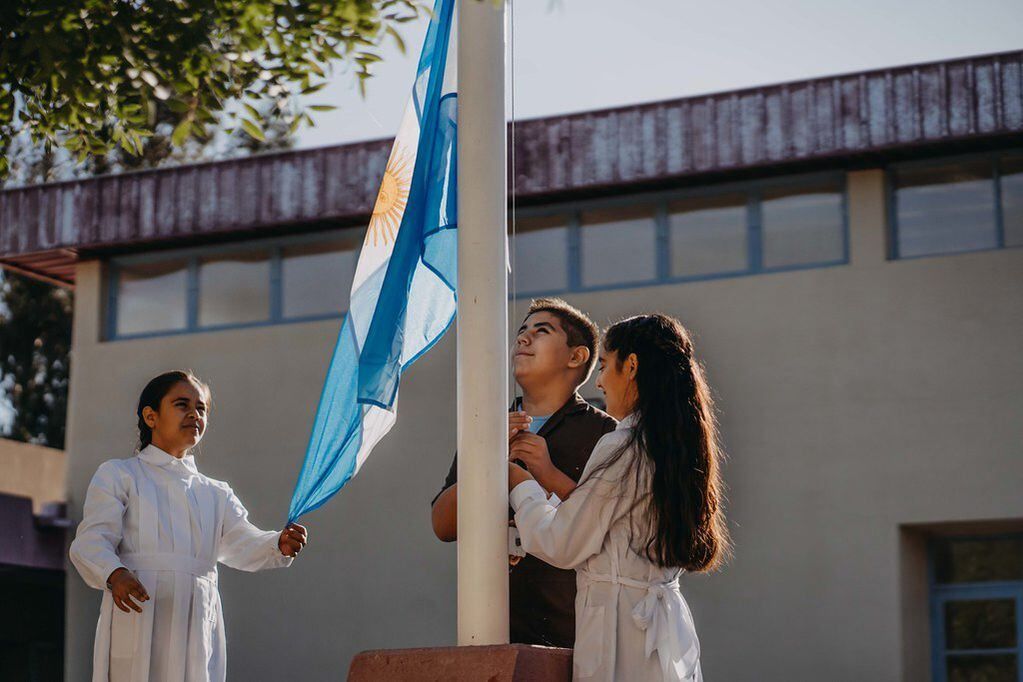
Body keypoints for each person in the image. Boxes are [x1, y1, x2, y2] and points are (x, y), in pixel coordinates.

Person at [508, 314, 729, 681]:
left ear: (631, 366)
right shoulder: (669, 446)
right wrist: (549, 476)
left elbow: (562, 542)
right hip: (659, 631)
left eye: (606, 365)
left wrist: (519, 483)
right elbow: (616, 524)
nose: (599, 380)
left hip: (621, 631)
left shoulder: (622, 443)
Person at [69, 370, 307, 682]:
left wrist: (278, 543)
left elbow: (243, 542)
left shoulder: (215, 492)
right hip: (139, 614)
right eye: (182, 404)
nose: (194, 414)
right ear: (151, 416)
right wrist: (114, 574)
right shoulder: (119, 475)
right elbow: (91, 540)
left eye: (201, 408)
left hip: (196, 619)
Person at [432, 298, 617, 647]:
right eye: (521, 332)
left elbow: (615, 530)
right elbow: (442, 525)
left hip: (577, 638)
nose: (523, 339)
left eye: (541, 331)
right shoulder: (486, 429)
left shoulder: (606, 434)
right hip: (490, 632)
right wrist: (486, 458)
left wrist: (546, 474)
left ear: (576, 357)